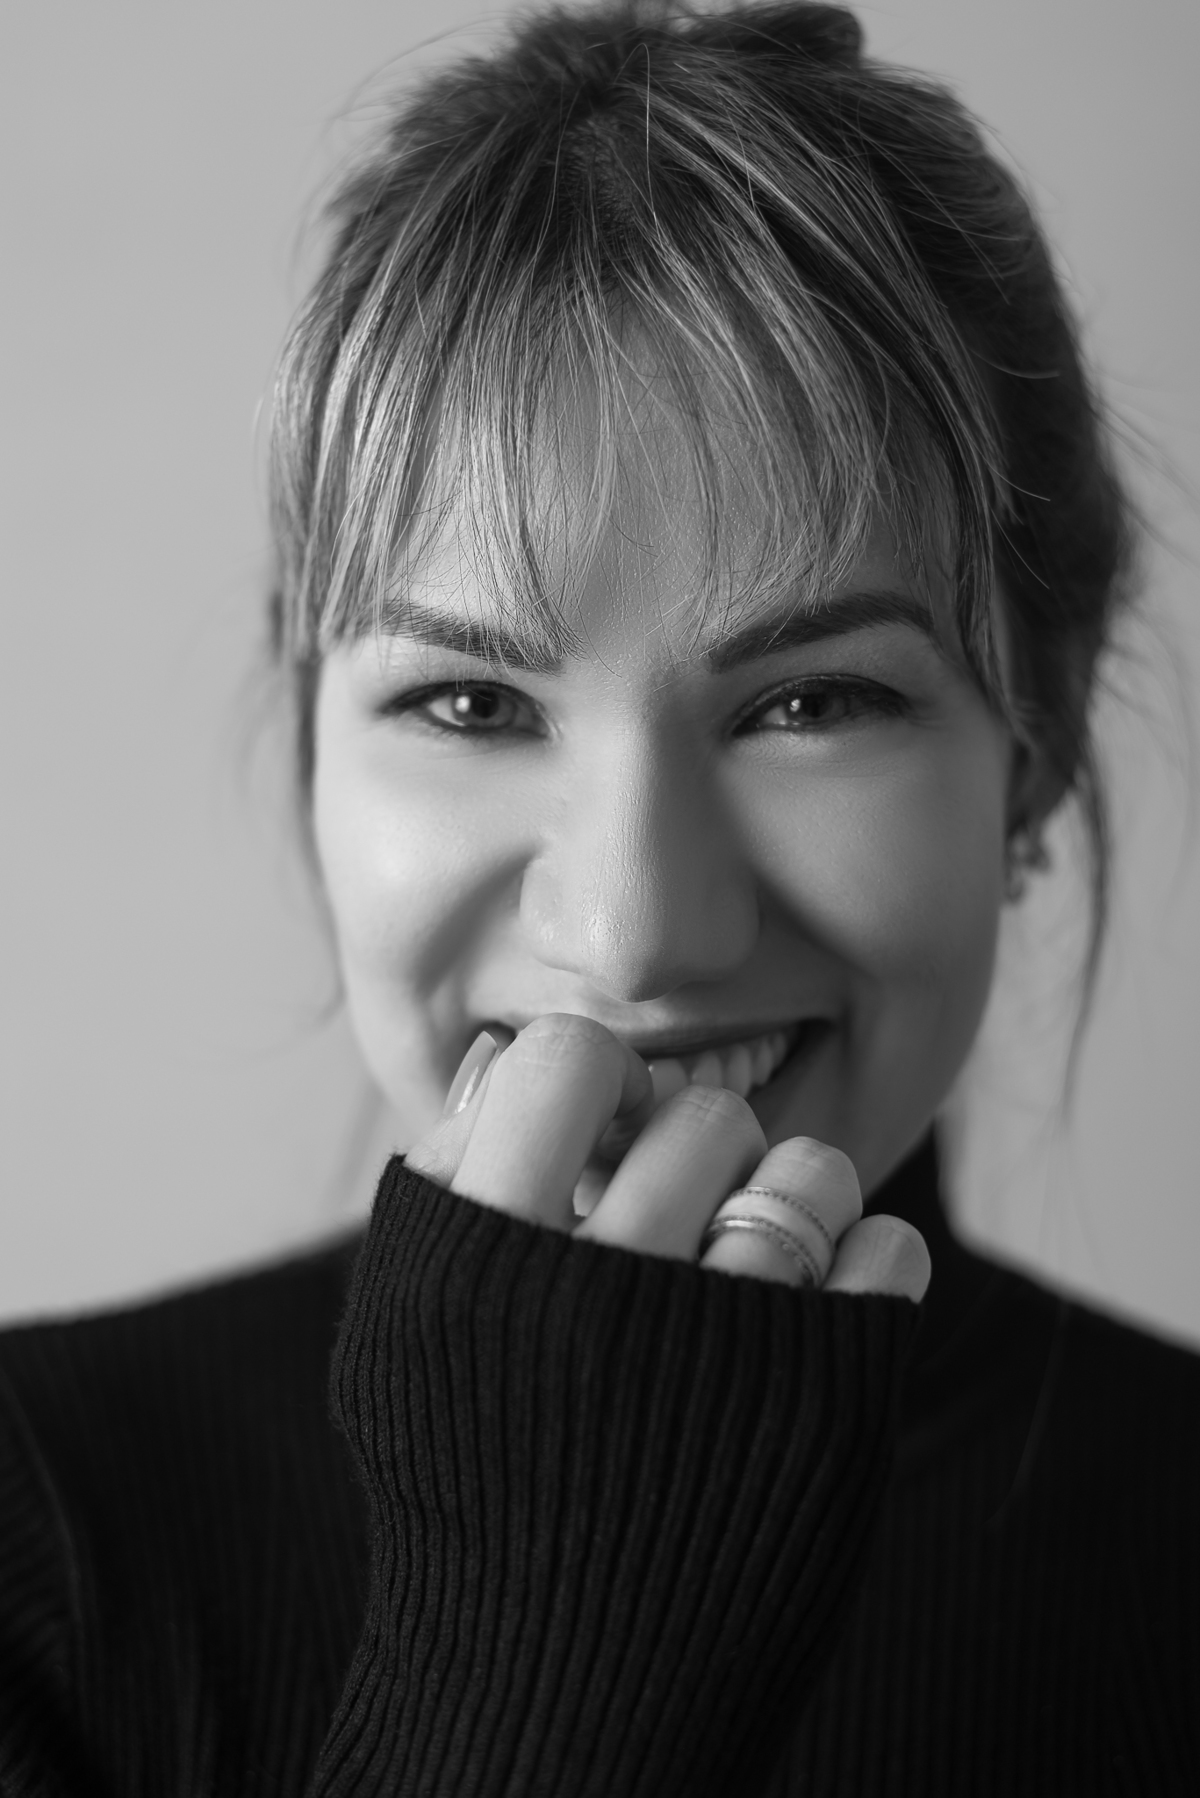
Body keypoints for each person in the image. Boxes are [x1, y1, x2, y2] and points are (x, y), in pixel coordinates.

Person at [1, 1, 1197, 1791]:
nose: (636, 934)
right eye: (472, 704)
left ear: (1037, 745)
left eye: (812, 701)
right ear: (312, 739)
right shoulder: (35, 1536)